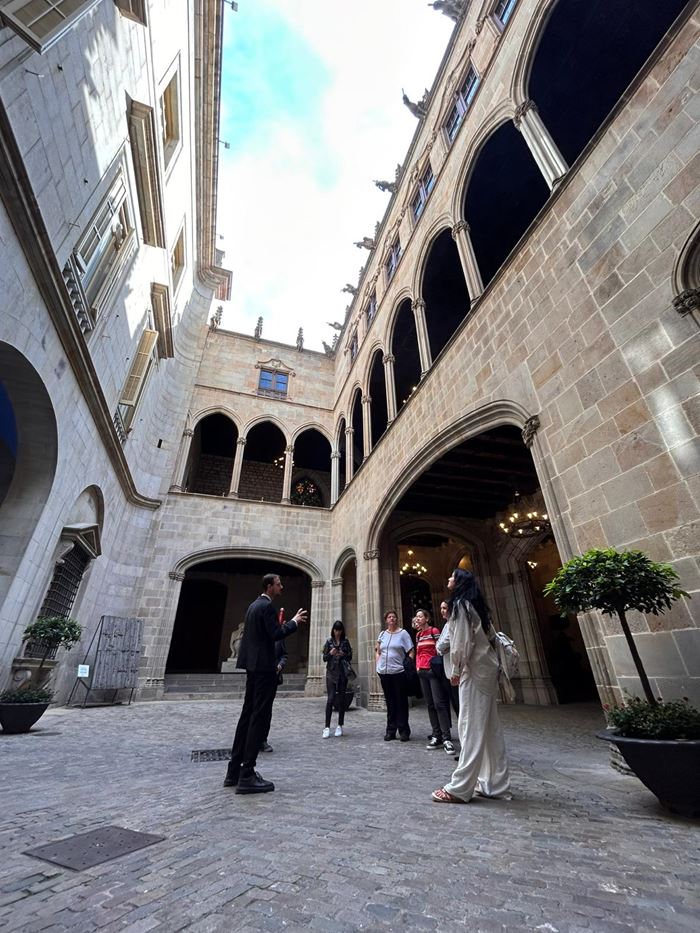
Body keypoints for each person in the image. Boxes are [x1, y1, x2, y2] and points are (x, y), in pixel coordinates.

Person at [224, 574, 307, 794]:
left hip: (253, 668)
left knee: (247, 716)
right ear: (269, 586)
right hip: (263, 670)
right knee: (258, 718)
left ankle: (233, 771)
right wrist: (294, 622)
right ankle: (247, 775)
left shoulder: (253, 606)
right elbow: (276, 634)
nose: (282, 586)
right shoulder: (267, 607)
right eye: (278, 584)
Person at [432, 568, 510, 803]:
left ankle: (460, 787)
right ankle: (495, 784)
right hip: (487, 669)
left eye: (452, 576)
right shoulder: (474, 606)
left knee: (470, 727)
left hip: (474, 670)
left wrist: (456, 670)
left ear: (459, 582)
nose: (448, 578)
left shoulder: (460, 606)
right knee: (490, 729)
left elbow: (461, 643)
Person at [414, 608, 454, 756]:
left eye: (420, 616)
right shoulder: (418, 635)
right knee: (430, 704)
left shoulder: (434, 631)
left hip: (433, 672)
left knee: (439, 703)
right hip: (422, 672)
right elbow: (418, 653)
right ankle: (436, 735)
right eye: (416, 616)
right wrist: (417, 667)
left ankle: (446, 738)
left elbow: (441, 649)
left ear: (427, 618)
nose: (418, 618)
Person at [375, 609, 414, 741]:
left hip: (398, 672)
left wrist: (407, 665)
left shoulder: (403, 633)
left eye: (394, 617)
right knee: (390, 702)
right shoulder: (382, 634)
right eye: (389, 617)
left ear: (396, 619)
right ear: (386, 620)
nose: (392, 618)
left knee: (401, 701)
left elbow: (411, 651)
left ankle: (404, 731)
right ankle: (390, 730)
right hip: (385, 673)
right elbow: (378, 650)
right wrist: (377, 665)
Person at [322, 620, 353, 738]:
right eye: (336, 630)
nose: (338, 632)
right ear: (333, 630)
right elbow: (324, 658)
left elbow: (350, 656)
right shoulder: (329, 642)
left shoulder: (345, 642)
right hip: (331, 673)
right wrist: (330, 653)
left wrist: (342, 654)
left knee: (341, 700)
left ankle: (340, 725)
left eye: (339, 630)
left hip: (342, 674)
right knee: (330, 699)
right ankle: (326, 727)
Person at [259, 637, 287, 753]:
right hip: (258, 678)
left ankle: (263, 739)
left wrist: (280, 665)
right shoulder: (258, 634)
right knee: (255, 708)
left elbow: (284, 655)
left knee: (267, 709)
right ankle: (251, 738)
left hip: (272, 679)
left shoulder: (279, 637)